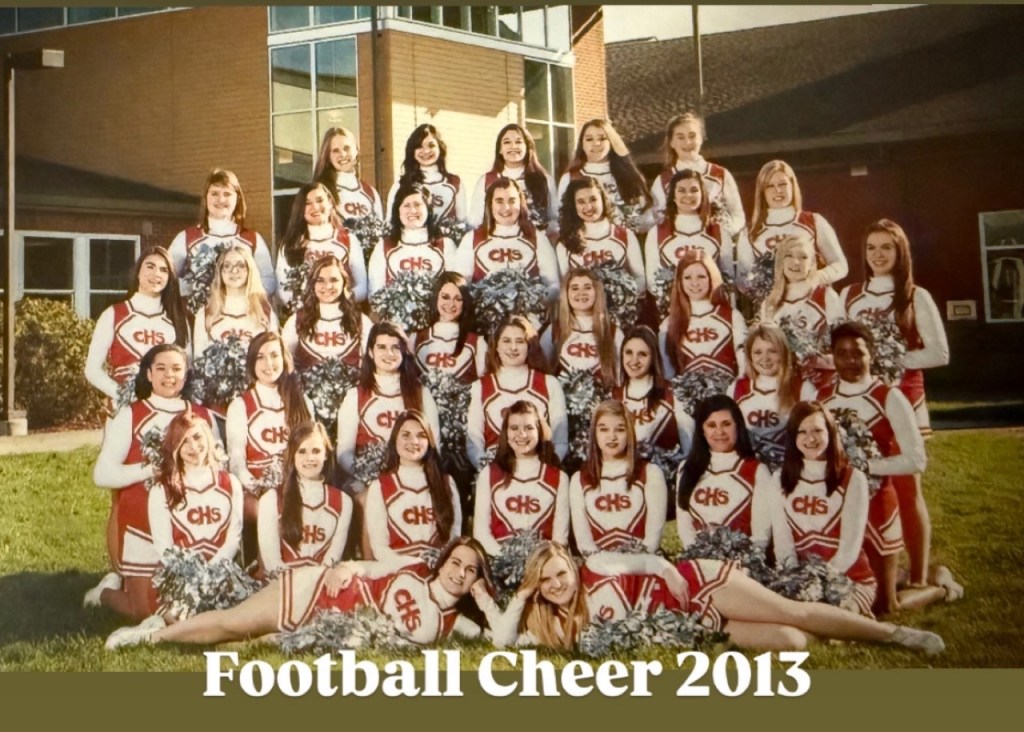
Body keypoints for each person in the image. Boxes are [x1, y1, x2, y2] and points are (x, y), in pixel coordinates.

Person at [489, 541, 944, 654]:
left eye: (560, 573)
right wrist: (522, 596)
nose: (558, 583)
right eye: (545, 581)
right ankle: (840, 631)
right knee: (792, 641)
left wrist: (671, 572)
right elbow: (502, 642)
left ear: (571, 565)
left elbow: (649, 562)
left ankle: (896, 634)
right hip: (696, 627)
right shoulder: (552, 622)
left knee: (792, 611)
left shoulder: (595, 565)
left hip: (695, 585)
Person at [106, 537, 501, 649]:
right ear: (442, 562)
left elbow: (501, 639)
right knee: (232, 623)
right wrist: (343, 568)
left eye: (470, 570)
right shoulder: (413, 566)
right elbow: (366, 566)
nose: (459, 573)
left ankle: (167, 623)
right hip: (316, 592)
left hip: (324, 630)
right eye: (455, 562)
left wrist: (484, 598)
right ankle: (149, 638)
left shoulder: (453, 624)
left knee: (239, 642)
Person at [818, 322, 953, 614]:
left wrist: (863, 465)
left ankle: (940, 587)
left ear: (872, 354)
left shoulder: (889, 396)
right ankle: (902, 575)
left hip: (878, 504)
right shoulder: (822, 398)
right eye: (842, 353)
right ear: (833, 356)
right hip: (837, 505)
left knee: (885, 607)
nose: (851, 361)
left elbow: (916, 460)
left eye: (858, 353)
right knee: (841, 592)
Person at [85, 344, 217, 620]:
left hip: (192, 520)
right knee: (146, 611)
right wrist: (150, 470)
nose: (169, 375)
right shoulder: (130, 414)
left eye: (177, 368)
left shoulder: (202, 414)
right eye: (161, 368)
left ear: (186, 373)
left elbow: (217, 467)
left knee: (196, 606)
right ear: (148, 373)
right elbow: (102, 474)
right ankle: (106, 594)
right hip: (143, 517)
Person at [336, 322, 440, 556]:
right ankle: (373, 566)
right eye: (381, 347)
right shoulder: (355, 395)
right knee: (368, 498)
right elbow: (343, 452)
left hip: (413, 471)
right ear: (370, 352)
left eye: (395, 347)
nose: (389, 353)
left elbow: (435, 445)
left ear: (404, 352)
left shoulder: (421, 394)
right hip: (365, 478)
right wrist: (367, 474)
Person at [764, 402, 877, 616]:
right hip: (801, 579)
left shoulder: (853, 478)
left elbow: (850, 548)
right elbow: (783, 541)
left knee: (830, 621)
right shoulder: (779, 479)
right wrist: (795, 583)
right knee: (785, 616)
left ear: (830, 432)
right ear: (793, 437)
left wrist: (820, 585)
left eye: (817, 430)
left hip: (848, 578)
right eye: (802, 432)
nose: (811, 438)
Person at [841, 218, 950, 439]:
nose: (877, 254)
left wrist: (887, 358)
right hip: (860, 397)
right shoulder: (848, 295)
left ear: (900, 252)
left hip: (905, 395)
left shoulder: (916, 296)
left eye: (886, 247)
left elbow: (940, 354)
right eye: (871, 247)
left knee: (905, 460)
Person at [225, 332, 313, 566]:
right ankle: (268, 571)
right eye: (260, 357)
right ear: (251, 363)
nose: (268, 363)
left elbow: (313, 449)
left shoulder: (302, 401)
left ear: (284, 359)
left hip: (296, 484)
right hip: (256, 489)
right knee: (270, 510)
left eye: (274, 355)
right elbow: (236, 462)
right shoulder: (240, 405)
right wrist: (259, 487)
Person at [85, 246, 190, 402]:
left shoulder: (178, 319)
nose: (156, 274)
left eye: (164, 270)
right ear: (138, 272)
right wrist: (124, 396)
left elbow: (187, 369)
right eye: (150, 266)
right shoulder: (113, 314)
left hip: (165, 407)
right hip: (125, 406)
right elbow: (92, 369)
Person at [148, 412, 243, 577]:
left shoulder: (231, 483)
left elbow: (233, 539)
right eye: (184, 441)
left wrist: (210, 573)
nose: (193, 446)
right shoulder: (162, 490)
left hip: (223, 574)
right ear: (175, 447)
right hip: (181, 578)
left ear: (208, 437)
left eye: (198, 437)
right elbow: (164, 547)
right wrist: (191, 577)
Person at [467, 315, 568, 468]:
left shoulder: (549, 384)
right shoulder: (480, 387)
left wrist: (545, 470)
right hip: (495, 471)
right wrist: (488, 473)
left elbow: (560, 441)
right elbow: (474, 441)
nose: (513, 348)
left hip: (539, 471)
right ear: (496, 345)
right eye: (506, 341)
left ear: (530, 346)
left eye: (520, 341)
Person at [472, 400, 570, 556]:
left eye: (529, 428)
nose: (522, 434)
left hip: (544, 563)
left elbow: (560, 539)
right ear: (506, 432)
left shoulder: (559, 478)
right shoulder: (489, 474)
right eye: (514, 428)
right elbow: (481, 533)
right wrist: (506, 559)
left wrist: (538, 562)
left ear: (539, 431)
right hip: (498, 562)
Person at [569, 400, 667, 555]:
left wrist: (633, 562)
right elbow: (584, 542)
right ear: (594, 433)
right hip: (598, 565)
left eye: (620, 430)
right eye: (604, 429)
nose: (612, 437)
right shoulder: (579, 479)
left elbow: (653, 540)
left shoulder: (650, 473)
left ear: (630, 433)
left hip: (643, 563)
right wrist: (605, 564)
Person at [675, 395, 773, 549]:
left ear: (738, 426)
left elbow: (761, 536)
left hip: (744, 560)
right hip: (697, 559)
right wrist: (699, 556)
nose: (719, 431)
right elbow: (685, 528)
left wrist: (738, 559)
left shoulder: (757, 470)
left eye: (726, 424)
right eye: (711, 425)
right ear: (702, 431)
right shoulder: (687, 468)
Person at [167, 168, 275, 306]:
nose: (221, 199)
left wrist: (244, 299)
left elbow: (268, 280)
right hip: (197, 316)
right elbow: (168, 279)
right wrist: (195, 287)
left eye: (227, 194)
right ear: (206, 198)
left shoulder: (253, 239)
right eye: (214, 193)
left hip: (242, 316)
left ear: (238, 198)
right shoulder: (186, 238)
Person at [364, 411, 461, 563]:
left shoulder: (447, 483)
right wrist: (413, 567)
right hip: (398, 570)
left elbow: (454, 539)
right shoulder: (380, 487)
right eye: (406, 435)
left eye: (421, 435)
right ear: (395, 440)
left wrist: (437, 565)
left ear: (430, 442)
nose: (414, 441)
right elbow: (379, 548)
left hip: (439, 570)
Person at [257, 421, 351, 576]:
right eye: (302, 452)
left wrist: (316, 582)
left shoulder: (343, 502)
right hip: (282, 584)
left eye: (316, 451)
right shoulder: (271, 499)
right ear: (292, 455)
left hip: (322, 582)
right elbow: (271, 563)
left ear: (326, 454)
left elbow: (333, 558)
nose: (310, 458)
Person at [738, 160, 847, 285]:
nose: (778, 190)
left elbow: (840, 265)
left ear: (792, 185)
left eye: (783, 184)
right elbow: (744, 279)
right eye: (770, 186)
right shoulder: (749, 232)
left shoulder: (814, 221)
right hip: (771, 297)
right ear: (762, 192)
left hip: (811, 295)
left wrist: (813, 280)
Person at [453, 176, 560, 303]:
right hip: (482, 314)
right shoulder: (471, 239)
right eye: (499, 201)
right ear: (489, 204)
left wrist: (533, 303)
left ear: (521, 203)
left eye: (512, 201)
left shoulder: (538, 238)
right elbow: (459, 285)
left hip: (528, 314)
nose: (506, 208)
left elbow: (554, 285)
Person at [759, 233, 844, 388]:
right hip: (783, 385)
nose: (795, 262)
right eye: (789, 255)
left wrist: (813, 361)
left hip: (822, 383)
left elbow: (843, 348)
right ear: (781, 260)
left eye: (803, 257)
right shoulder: (769, 303)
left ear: (812, 263)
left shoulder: (826, 295)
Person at [275, 181, 368, 312]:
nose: (315, 207)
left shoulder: (349, 240)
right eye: (307, 203)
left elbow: (362, 287)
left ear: (330, 202)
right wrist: (307, 308)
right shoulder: (289, 245)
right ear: (300, 209)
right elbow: (282, 289)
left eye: (320, 200)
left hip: (343, 314)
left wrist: (339, 304)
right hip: (305, 315)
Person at [729, 324, 814, 465]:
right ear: (749, 356)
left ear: (784, 353)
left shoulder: (802, 388)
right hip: (749, 467)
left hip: (790, 467)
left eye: (772, 351)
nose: (765, 358)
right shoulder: (737, 388)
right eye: (758, 352)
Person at [649, 112, 745, 237]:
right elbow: (656, 219)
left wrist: (722, 235)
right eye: (680, 137)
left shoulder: (720, 174)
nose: (687, 142)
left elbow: (737, 216)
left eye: (692, 136)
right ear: (671, 142)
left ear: (701, 138)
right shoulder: (663, 180)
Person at [644, 168, 739, 291]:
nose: (688, 195)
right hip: (671, 302)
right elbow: (652, 281)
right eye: (681, 190)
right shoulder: (656, 233)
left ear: (702, 194)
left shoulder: (720, 232)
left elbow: (728, 278)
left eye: (694, 190)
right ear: (673, 196)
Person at [659, 250, 747, 380]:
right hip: (686, 393)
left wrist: (736, 388)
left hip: (728, 391)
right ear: (679, 281)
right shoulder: (668, 324)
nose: (694, 283)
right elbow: (669, 375)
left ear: (712, 278)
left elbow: (744, 367)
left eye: (701, 276)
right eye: (687, 277)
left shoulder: (732, 316)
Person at [556, 118, 653, 234]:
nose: (596, 144)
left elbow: (647, 219)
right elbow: (561, 219)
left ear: (612, 143)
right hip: (585, 242)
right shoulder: (571, 178)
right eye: (589, 139)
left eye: (602, 139)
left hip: (625, 240)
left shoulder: (629, 175)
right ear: (582, 144)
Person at [612, 326, 695, 460]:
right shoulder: (613, 395)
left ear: (653, 357)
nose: (634, 360)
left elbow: (688, 448)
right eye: (629, 353)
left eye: (642, 354)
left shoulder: (672, 393)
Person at [556, 176, 647, 299]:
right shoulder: (565, 243)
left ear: (603, 200)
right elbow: (564, 287)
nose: (589, 207)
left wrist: (621, 297)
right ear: (573, 206)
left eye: (593, 199)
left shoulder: (625, 235)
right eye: (581, 202)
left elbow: (640, 279)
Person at [281, 256, 372, 373]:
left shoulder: (361, 320)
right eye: (320, 280)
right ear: (312, 284)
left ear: (344, 282)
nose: (328, 286)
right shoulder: (296, 320)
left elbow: (371, 362)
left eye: (334, 280)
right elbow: (285, 360)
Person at [368, 182, 456, 298]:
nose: (413, 210)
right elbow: (375, 294)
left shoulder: (446, 245)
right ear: (397, 211)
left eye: (418, 204)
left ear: (428, 209)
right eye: (406, 205)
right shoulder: (383, 247)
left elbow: (454, 291)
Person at [469, 124, 558, 237]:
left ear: (528, 147)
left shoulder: (544, 179)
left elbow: (555, 218)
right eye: (507, 142)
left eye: (518, 142)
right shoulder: (486, 181)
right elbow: (475, 220)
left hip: (535, 242)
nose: (513, 146)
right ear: (500, 149)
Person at [193, 244, 277, 363]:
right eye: (227, 266)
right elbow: (199, 360)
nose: (234, 271)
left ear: (250, 270)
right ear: (220, 272)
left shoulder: (265, 311)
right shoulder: (205, 313)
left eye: (241, 265)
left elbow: (274, 355)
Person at [541, 268, 622, 387]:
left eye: (587, 287)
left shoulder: (613, 332)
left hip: (603, 397)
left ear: (597, 292)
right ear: (566, 293)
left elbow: (620, 378)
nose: (581, 292)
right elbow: (542, 373)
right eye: (574, 288)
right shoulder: (554, 330)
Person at [412, 271, 488, 383]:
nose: (451, 304)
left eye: (458, 299)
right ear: (436, 298)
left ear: (465, 302)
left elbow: (483, 385)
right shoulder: (416, 339)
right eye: (445, 297)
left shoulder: (477, 343)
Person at [385, 123, 465, 226]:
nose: (426, 151)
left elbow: (462, 222)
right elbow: (390, 223)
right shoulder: (401, 185)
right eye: (419, 146)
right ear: (412, 151)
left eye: (431, 145)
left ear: (440, 148)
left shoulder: (454, 183)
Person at [312, 126, 384, 226]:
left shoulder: (370, 192)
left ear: (356, 151)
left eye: (347, 148)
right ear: (328, 157)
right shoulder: (320, 191)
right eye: (335, 151)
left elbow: (380, 230)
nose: (342, 154)